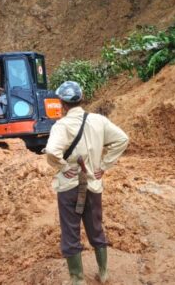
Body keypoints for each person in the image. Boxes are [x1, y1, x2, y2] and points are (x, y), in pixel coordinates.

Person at [44, 81, 129, 285]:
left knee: (71, 230)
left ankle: (77, 279)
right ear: (81, 100)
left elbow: (51, 152)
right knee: (95, 227)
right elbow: (122, 139)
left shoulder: (62, 126)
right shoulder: (99, 121)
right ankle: (104, 273)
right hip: (92, 184)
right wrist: (104, 165)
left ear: (62, 104)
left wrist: (64, 167)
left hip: (70, 185)